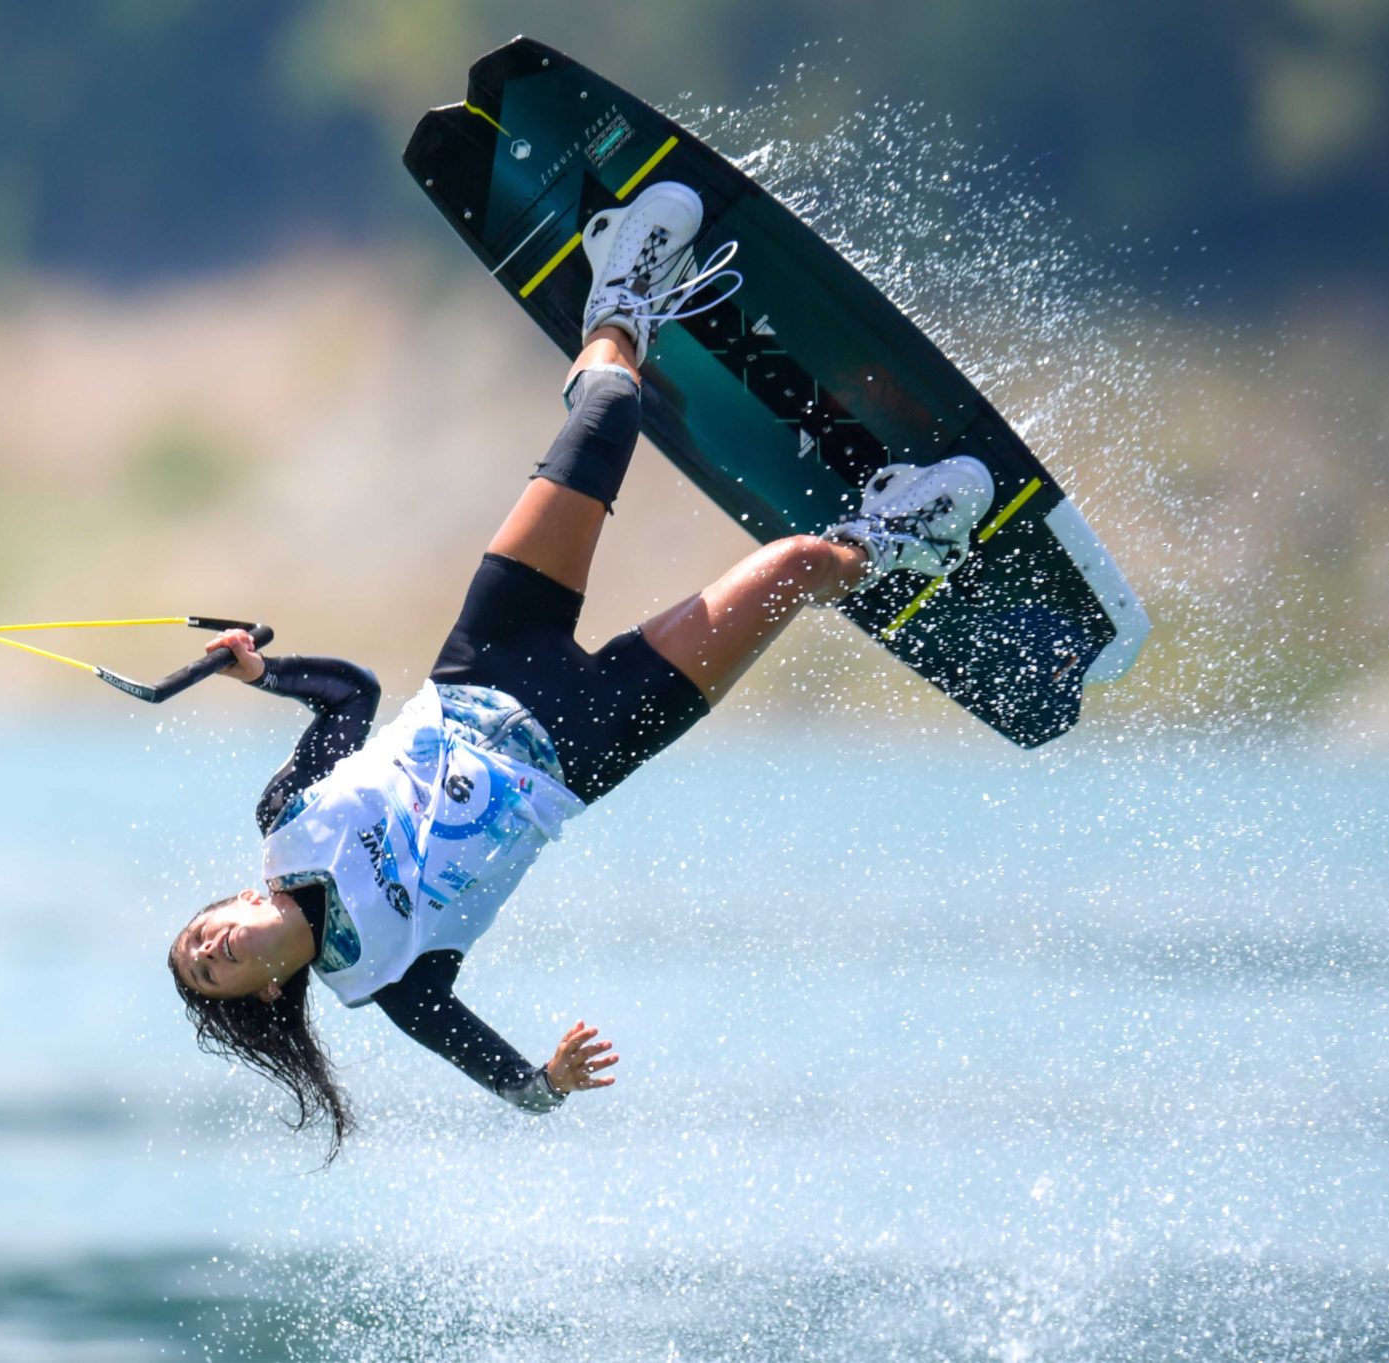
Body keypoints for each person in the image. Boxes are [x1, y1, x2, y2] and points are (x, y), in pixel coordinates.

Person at [169, 181, 994, 1160]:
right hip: (584, 743)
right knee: (794, 567)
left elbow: (352, 694)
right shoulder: (387, 978)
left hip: (486, 656)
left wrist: (257, 671)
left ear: (228, 903)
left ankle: (621, 302)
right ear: (267, 990)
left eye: (199, 938)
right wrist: (549, 1082)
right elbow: (505, 1080)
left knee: (609, 407)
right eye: (212, 972)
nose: (211, 949)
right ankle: (889, 538)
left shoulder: (285, 824)